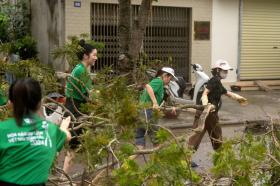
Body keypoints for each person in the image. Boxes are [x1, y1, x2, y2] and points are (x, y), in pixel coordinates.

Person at [0, 78, 71, 186]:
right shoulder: (51, 130)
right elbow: (67, 136)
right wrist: (64, 127)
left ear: (10, 103)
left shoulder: (2, 129)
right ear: (40, 103)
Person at [188, 59, 247, 166]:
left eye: (227, 71)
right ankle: (221, 160)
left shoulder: (217, 82)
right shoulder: (214, 81)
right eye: (224, 71)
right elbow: (205, 93)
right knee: (215, 136)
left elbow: (226, 92)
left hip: (208, 113)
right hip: (207, 113)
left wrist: (238, 98)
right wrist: (207, 105)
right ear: (217, 70)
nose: (226, 73)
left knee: (197, 135)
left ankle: (186, 159)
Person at [63, 39, 98, 175]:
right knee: (74, 146)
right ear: (85, 55)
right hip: (75, 109)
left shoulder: (80, 69)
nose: (96, 57)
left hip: (76, 108)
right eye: (94, 54)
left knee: (85, 143)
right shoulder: (81, 71)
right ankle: (63, 177)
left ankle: (88, 174)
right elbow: (89, 94)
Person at [136, 67, 177, 149]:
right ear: (165, 75)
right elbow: (148, 86)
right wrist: (154, 103)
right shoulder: (158, 81)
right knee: (157, 142)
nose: (170, 81)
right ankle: (159, 160)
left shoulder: (160, 86)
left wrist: (171, 108)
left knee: (140, 143)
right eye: (170, 78)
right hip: (148, 113)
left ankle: (127, 161)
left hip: (140, 113)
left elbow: (161, 103)